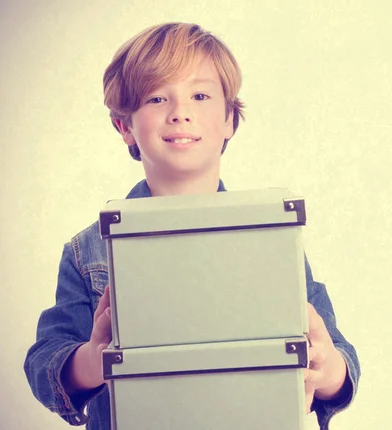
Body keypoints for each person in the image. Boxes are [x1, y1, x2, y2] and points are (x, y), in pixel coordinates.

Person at [24, 22, 360, 430]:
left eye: (200, 95)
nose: (180, 112)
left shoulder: (271, 236)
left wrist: (329, 372)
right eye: (156, 97)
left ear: (229, 121)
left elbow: (339, 357)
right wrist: (94, 360)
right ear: (124, 126)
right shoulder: (89, 250)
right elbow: (44, 364)